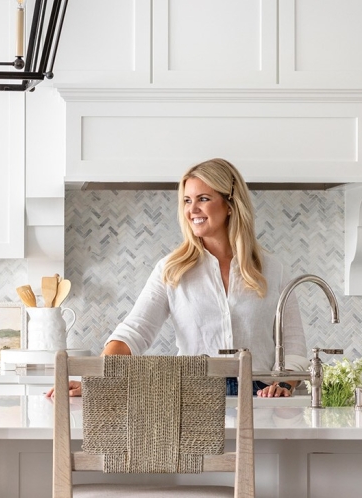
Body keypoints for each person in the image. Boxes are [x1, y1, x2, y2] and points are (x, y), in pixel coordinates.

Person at [47, 157, 308, 398]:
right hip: (193, 395)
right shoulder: (171, 270)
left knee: (256, 452)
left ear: (230, 204)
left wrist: (284, 386)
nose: (192, 209)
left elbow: (294, 346)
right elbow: (134, 332)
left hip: (261, 397)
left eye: (203, 198)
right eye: (186, 200)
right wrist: (95, 380)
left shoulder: (273, 270)